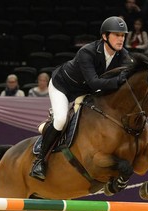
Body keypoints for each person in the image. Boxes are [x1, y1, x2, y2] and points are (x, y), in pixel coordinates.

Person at [30, 16, 131, 181]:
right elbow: (95, 81)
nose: (121, 39)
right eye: (116, 35)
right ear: (105, 37)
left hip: (85, 91)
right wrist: (119, 81)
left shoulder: (123, 55)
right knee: (61, 120)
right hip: (63, 86)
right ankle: (40, 161)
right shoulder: (87, 52)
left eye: (123, 36)